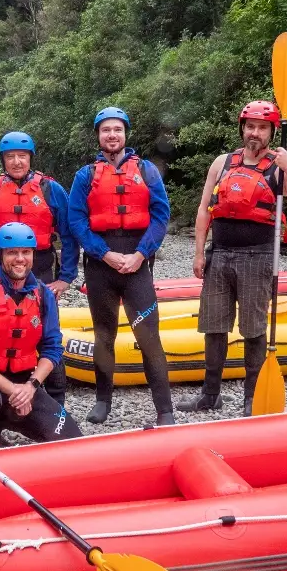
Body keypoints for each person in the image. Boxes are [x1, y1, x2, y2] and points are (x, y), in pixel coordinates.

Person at [178, 100, 287, 416]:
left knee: (254, 329)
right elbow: (204, 209)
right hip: (220, 255)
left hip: (258, 257)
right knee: (214, 326)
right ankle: (210, 395)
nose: (255, 133)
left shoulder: (280, 167)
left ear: (271, 132)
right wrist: (199, 253)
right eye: (250, 126)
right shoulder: (223, 162)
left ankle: (251, 397)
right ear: (242, 128)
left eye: (262, 128)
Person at [67, 107, 175, 426]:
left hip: (137, 262)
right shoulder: (85, 175)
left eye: (117, 129)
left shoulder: (146, 171)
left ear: (126, 134)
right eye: (105, 130)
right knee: (104, 335)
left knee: (148, 336)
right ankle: (103, 400)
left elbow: (160, 215)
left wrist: (141, 254)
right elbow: (76, 220)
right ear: (98, 136)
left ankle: (164, 409)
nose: (111, 135)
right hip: (102, 264)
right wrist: (104, 253)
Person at [0, 222, 83, 450]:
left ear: (33, 255)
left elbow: (52, 348)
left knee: (72, 440)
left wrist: (31, 387)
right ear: (1, 255)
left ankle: (11, 419)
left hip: (25, 383)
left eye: (26, 252)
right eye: (12, 252)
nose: (20, 259)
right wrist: (14, 390)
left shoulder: (43, 294)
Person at [0, 131, 79, 405]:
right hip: (2, 272)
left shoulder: (50, 190)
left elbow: (69, 236)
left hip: (42, 268)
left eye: (22, 156)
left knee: (47, 334)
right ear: (3, 160)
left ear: (30, 158)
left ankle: (56, 401)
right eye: (10, 157)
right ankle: (4, 394)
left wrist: (66, 278)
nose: (16, 162)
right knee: (3, 330)